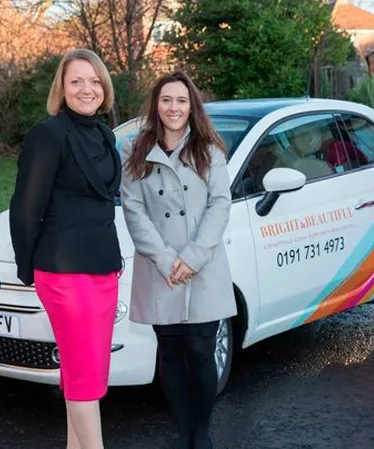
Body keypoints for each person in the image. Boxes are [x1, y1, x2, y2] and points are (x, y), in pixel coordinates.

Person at [10, 49, 121, 449]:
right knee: (85, 379)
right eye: (76, 81)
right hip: (63, 272)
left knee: (87, 375)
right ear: (62, 87)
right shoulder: (49, 134)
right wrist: (31, 269)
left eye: (93, 81)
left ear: (104, 87)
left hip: (104, 269)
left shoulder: (105, 134)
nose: (86, 89)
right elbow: (24, 210)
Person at [121, 71, 237, 449]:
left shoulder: (209, 150)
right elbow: (133, 207)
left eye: (182, 101)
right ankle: (182, 430)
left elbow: (220, 205)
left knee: (202, 353)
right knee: (169, 352)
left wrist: (192, 258)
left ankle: (200, 433)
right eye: (167, 100)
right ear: (156, 104)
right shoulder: (135, 150)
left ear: (192, 106)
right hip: (160, 269)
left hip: (202, 267)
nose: (174, 107)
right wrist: (166, 259)